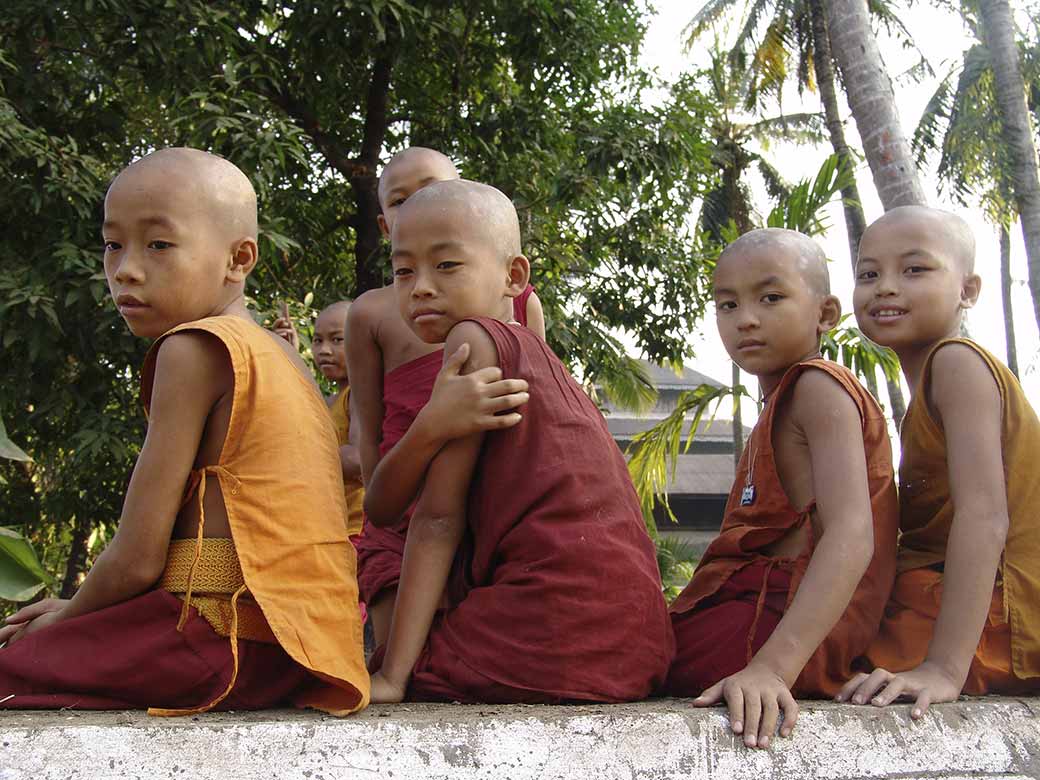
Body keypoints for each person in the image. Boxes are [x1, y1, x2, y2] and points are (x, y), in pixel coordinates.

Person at [0, 148, 368, 716]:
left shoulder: (193, 347)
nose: (125, 268)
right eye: (112, 244)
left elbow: (138, 559)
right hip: (296, 650)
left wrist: (63, 617)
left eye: (159, 244)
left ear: (238, 258)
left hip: (216, 639)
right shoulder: (286, 358)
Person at [364, 178, 673, 705]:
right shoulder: (547, 362)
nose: (419, 287)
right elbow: (384, 506)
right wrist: (432, 425)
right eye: (402, 270)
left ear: (513, 276)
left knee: (383, 666)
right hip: (638, 643)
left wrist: (394, 676)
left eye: (446, 265)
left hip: (553, 639)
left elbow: (432, 519)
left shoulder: (473, 339)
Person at [664, 229, 898, 749]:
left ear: (826, 313)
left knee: (616, 651)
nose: (745, 317)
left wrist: (772, 667)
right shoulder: (781, 401)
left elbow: (852, 534)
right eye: (728, 304)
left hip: (780, 631)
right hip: (760, 615)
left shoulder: (818, 387)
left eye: (771, 298)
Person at [838, 205, 1040, 716]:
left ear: (967, 291)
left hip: (1002, 618)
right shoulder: (932, 382)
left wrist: (944, 668)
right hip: (958, 599)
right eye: (869, 273)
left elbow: (985, 516)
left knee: (826, 664)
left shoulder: (957, 363)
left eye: (914, 269)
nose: (885, 286)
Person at [347, 147, 533, 647]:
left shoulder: (516, 301)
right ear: (386, 226)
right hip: (404, 493)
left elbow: (532, 399)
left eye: (430, 192)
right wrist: (378, 517)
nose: (415, 208)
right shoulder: (368, 315)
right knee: (390, 650)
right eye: (399, 201)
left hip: (483, 493)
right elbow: (369, 429)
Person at [273, 300, 364, 537]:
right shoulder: (332, 400)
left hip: (358, 530)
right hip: (333, 529)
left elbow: (359, 459)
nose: (324, 350)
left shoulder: (361, 393)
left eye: (337, 340)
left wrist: (303, 454)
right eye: (317, 340)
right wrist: (289, 356)